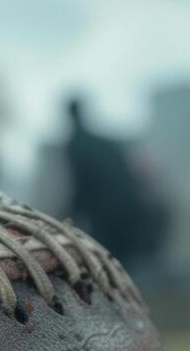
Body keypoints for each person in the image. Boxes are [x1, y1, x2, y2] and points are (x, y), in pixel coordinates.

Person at [62, 97, 152, 268]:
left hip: (107, 212)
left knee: (108, 263)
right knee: (122, 265)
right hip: (128, 207)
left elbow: (82, 184)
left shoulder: (76, 144)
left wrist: (66, 218)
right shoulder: (105, 142)